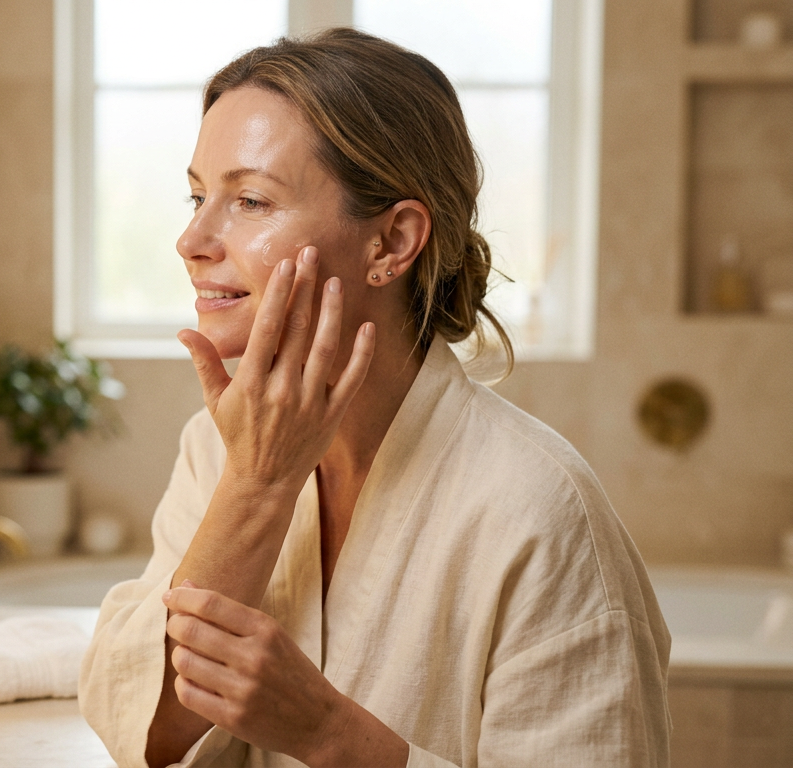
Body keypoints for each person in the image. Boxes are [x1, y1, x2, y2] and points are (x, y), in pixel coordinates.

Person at [78, 28, 670, 768]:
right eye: (199, 196)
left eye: (251, 200)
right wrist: (256, 486)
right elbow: (146, 731)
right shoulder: (214, 451)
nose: (192, 238)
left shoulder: (541, 512)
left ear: (391, 243)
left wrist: (328, 734)